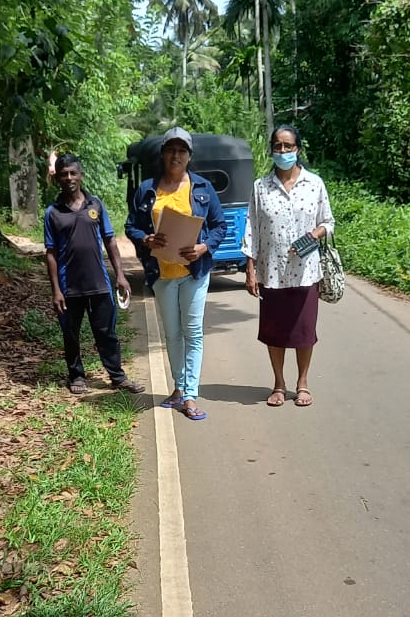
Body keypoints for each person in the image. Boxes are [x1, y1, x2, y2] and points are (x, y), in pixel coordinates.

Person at [125, 127, 227, 421]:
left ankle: (190, 395)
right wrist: (145, 239)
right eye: (171, 149)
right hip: (162, 273)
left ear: (189, 156)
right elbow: (131, 226)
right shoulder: (147, 189)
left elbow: (220, 226)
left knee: (192, 332)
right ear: (163, 154)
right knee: (172, 334)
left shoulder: (203, 189)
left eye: (182, 151)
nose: (176, 155)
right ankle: (179, 389)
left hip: (194, 271)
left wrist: (204, 247)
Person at [243, 125, 335, 408]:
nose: (282, 151)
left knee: (304, 330)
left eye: (288, 146)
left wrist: (313, 236)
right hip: (271, 272)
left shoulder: (314, 184)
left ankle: (303, 383)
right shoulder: (261, 187)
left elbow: (328, 223)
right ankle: (279, 384)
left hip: (306, 271)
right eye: (277, 146)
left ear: (298, 148)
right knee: (275, 330)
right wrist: (250, 269)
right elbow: (252, 230)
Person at [44, 153, 144, 396]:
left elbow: (110, 241)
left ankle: (117, 377)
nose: (69, 178)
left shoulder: (95, 205)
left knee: (106, 333)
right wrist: (56, 290)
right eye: (64, 174)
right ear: (57, 177)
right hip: (69, 288)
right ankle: (76, 375)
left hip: (99, 284)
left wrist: (120, 275)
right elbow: (51, 253)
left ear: (81, 175)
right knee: (71, 334)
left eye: (73, 173)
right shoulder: (53, 212)